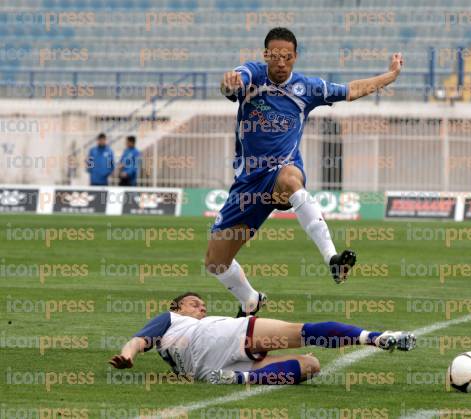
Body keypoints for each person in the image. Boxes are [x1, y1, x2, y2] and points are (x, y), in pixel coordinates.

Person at [205, 27, 404, 316]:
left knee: (289, 177)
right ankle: (250, 300)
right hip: (247, 184)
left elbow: (352, 90)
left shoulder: (307, 88)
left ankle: (332, 258)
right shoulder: (252, 75)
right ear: (266, 55)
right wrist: (227, 83)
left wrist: (391, 76)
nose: (281, 63)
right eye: (275, 56)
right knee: (215, 261)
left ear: (295, 57)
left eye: (287, 57)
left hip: (281, 174)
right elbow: (232, 85)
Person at [108, 292, 416, 384]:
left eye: (202, 304)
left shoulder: (181, 329)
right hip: (222, 337)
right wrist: (128, 355)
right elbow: (136, 341)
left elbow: (141, 345)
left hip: (205, 371)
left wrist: (245, 312)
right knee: (302, 331)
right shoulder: (170, 318)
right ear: (177, 306)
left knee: (310, 364)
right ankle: (376, 338)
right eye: (194, 302)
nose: (201, 306)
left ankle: (241, 379)